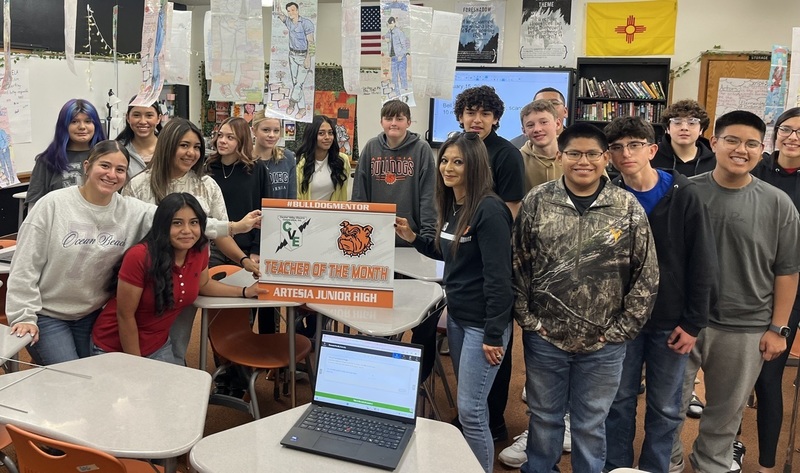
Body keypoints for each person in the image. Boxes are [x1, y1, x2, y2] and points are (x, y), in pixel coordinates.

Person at [5, 140, 259, 366]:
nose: (111, 175)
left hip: (90, 311)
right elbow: (25, 264)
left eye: (120, 170)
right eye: (105, 166)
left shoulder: (130, 210)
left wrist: (234, 226)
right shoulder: (52, 205)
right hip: (47, 314)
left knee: (92, 378)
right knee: (71, 380)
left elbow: (181, 221)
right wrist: (24, 315)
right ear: (87, 166)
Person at [513, 123, 659, 473]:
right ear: (561, 156)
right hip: (546, 338)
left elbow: (646, 273)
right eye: (575, 153)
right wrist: (529, 321)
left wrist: (622, 330)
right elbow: (518, 263)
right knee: (545, 418)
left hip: (604, 342)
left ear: (606, 158)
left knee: (591, 424)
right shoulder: (538, 200)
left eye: (593, 154)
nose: (584, 161)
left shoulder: (625, 206)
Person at [670, 110, 800, 473]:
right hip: (685, 325)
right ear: (713, 143)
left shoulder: (778, 204)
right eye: (732, 140)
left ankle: (711, 465)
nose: (741, 149)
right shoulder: (685, 192)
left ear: (763, 149)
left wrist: (778, 329)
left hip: (746, 327)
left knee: (724, 417)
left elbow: (788, 272)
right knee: (669, 410)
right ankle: (668, 464)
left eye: (751, 143)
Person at [601, 116, 718, 473]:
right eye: (617, 148)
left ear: (652, 149)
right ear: (609, 156)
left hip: (670, 321)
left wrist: (694, 322)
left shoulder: (684, 195)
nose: (626, 154)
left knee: (666, 406)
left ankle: (655, 468)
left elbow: (703, 262)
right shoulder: (607, 198)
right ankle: (616, 467)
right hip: (620, 322)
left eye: (634, 145)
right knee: (618, 402)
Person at [395, 132, 513, 473]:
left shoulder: (489, 210)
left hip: (482, 325)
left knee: (472, 412)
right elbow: (449, 253)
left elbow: (499, 278)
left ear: (474, 165)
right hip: (460, 318)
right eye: (445, 160)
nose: (448, 167)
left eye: (458, 161)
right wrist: (414, 239)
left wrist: (494, 334)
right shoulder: (456, 206)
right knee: (470, 405)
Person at [123, 118, 260, 364]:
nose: (191, 153)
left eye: (197, 147)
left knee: (177, 344)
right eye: (184, 145)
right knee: (139, 342)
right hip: (146, 281)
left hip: (188, 280)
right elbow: (129, 236)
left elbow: (219, 233)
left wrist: (243, 260)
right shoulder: (139, 185)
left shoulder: (206, 185)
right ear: (168, 145)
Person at [91, 193, 267, 364]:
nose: (187, 231)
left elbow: (203, 285)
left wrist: (245, 292)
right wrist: (137, 366)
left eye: (194, 223)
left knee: (179, 391)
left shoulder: (198, 251)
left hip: (158, 346)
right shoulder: (140, 256)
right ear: (163, 225)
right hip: (116, 347)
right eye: (177, 223)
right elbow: (125, 315)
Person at [454, 84, 524, 442]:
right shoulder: (459, 148)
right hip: (464, 257)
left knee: (496, 348)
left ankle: (494, 421)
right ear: (461, 116)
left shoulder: (507, 155)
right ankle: (470, 414)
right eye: (470, 112)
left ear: (496, 118)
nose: (476, 119)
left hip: (492, 259)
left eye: (484, 113)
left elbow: (511, 210)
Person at [352, 99, 437, 380]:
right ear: (381, 122)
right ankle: (379, 365)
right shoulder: (370, 148)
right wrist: (359, 233)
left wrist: (425, 236)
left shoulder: (422, 150)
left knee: (417, 308)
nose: (393, 124)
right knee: (379, 310)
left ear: (409, 122)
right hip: (377, 245)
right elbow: (359, 192)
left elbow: (428, 194)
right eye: (388, 119)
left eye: (399, 119)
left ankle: (417, 372)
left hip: (412, 243)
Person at [740, 107, 800, 473]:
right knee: (734, 375)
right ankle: (730, 446)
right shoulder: (753, 169)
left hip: (791, 288)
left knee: (768, 377)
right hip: (747, 283)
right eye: (787, 129)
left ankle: (765, 464)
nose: (793, 137)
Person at [206, 117, 271, 268]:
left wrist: (257, 248)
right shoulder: (208, 167)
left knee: (243, 290)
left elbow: (266, 210)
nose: (222, 140)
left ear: (242, 141)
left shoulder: (256, 168)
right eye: (220, 135)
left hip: (246, 248)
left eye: (230, 137)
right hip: (214, 245)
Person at [26, 98, 106, 208]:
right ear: (63, 126)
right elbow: (34, 205)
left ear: (96, 125)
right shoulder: (47, 160)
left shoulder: (107, 156)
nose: (82, 127)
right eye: (74, 122)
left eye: (88, 121)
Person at [652, 99, 715, 176]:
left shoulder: (715, 161)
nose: (684, 128)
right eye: (677, 123)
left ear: (701, 129)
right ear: (667, 128)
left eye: (691, 123)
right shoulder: (651, 156)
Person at [296, 115, 350, 201]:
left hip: (331, 213)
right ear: (312, 136)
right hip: (305, 212)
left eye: (330, 133)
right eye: (321, 133)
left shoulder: (342, 160)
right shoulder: (299, 163)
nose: (327, 137)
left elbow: (341, 196)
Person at [275, 1, 314, 119]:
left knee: (299, 84)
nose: (291, 12)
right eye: (288, 11)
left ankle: (292, 104)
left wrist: (308, 58)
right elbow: (282, 17)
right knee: (296, 83)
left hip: (303, 57)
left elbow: (311, 43)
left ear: (297, 10)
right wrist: (279, 12)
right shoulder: (289, 22)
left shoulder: (306, 23)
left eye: (293, 10)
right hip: (292, 55)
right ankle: (302, 109)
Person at [518, 99, 562, 194]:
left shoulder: (575, 155)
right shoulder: (517, 160)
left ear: (558, 124)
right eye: (530, 125)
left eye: (544, 122)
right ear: (524, 131)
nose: (537, 129)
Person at [252, 110, 297, 199]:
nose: (272, 135)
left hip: (281, 212)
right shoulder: (244, 158)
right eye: (266, 130)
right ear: (254, 131)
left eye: (276, 131)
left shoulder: (287, 157)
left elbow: (292, 197)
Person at [115, 97, 162, 177]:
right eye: (136, 115)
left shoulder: (170, 148)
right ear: (127, 118)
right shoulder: (117, 150)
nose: (143, 121)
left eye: (149, 115)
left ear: (158, 118)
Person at [384, 16, 409, 97]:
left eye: (392, 23)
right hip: (393, 57)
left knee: (402, 73)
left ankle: (405, 90)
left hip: (401, 57)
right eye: (389, 24)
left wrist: (401, 55)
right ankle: (397, 92)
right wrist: (386, 38)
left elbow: (404, 46)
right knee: (394, 75)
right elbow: (386, 35)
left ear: (394, 23)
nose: (391, 25)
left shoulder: (399, 32)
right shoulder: (389, 32)